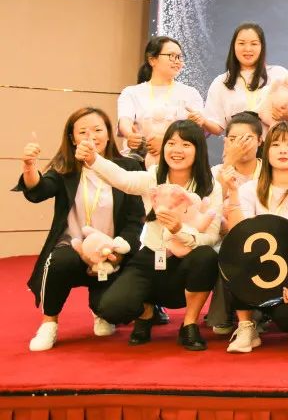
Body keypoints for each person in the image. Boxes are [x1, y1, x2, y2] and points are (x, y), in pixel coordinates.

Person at [16, 108, 146, 351]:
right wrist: (29, 166)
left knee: (119, 308)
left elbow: (135, 219)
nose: (91, 136)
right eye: (82, 132)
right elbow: (38, 191)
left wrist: (118, 250)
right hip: (73, 248)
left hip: (111, 251)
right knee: (59, 261)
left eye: (97, 130)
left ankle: (101, 311)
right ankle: (49, 323)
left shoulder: (128, 167)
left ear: (108, 134)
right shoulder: (66, 168)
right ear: (72, 138)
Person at [88, 119, 223, 350]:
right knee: (112, 308)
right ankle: (147, 312)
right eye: (171, 143)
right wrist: (94, 159)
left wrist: (180, 230)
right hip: (152, 256)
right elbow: (123, 179)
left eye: (186, 145)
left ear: (199, 150)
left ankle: (189, 324)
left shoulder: (210, 186)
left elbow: (212, 236)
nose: (177, 150)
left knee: (206, 255)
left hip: (187, 262)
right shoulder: (153, 177)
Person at [216, 122, 288, 353]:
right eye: (276, 145)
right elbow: (238, 237)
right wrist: (234, 193)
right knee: (233, 258)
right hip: (259, 273)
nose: (283, 150)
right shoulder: (250, 189)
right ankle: (246, 326)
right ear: (266, 151)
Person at [118, 36, 207, 169]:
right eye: (171, 56)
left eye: (179, 57)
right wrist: (129, 135)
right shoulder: (131, 92)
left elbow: (194, 132)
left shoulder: (190, 93)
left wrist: (166, 141)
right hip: (138, 162)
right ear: (152, 60)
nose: (177, 61)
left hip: (177, 162)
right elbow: (124, 120)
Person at [204, 23, 288, 135]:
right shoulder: (221, 82)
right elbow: (217, 126)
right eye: (241, 43)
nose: (247, 49)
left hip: (274, 143)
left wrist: (287, 115)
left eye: (254, 44)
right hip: (238, 143)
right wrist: (202, 121)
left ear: (262, 46)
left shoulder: (278, 74)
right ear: (233, 46)